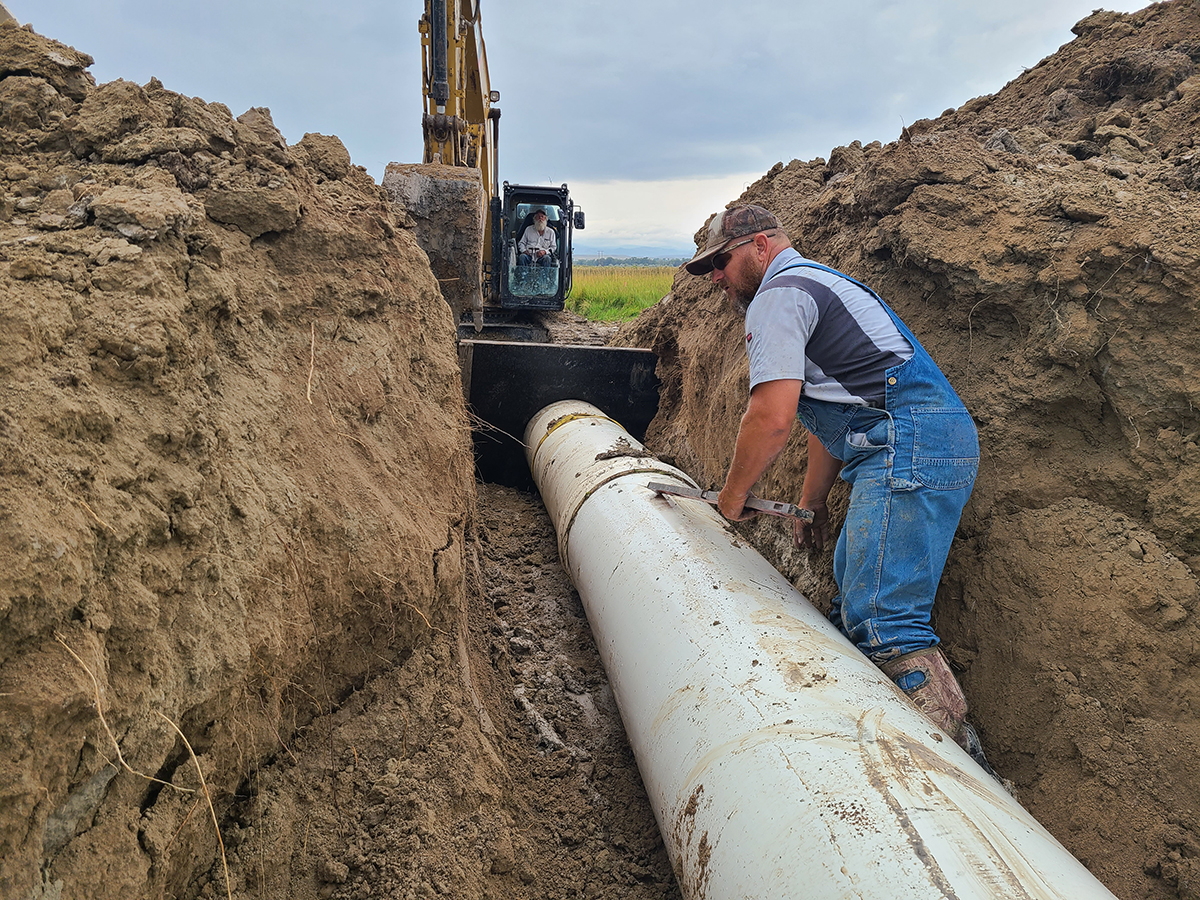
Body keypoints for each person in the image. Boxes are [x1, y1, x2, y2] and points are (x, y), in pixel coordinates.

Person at [686, 204, 994, 772]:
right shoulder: (814, 285)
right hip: (909, 441)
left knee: (883, 620)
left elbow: (771, 416)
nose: (715, 277)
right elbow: (830, 417)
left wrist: (731, 496)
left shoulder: (779, 296)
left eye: (720, 262)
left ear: (760, 246)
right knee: (852, 604)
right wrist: (812, 500)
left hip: (907, 445)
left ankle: (957, 775)